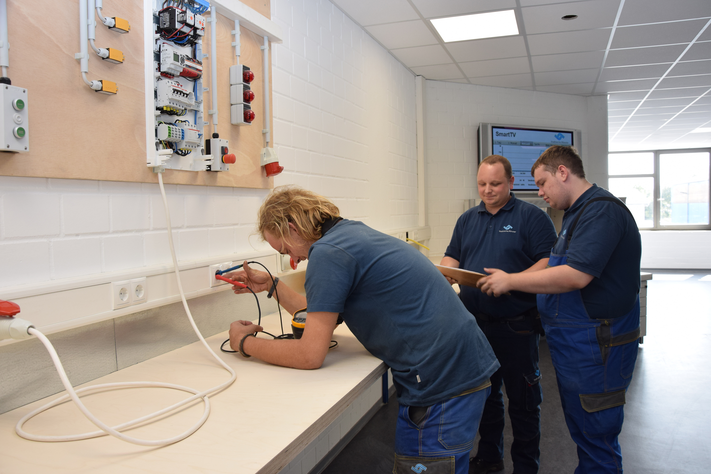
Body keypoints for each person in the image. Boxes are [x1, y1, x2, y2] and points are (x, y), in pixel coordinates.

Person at [225, 185, 500, 474]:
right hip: (462, 366)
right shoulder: (350, 235)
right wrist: (271, 284)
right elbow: (319, 310)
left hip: (442, 383)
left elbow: (309, 354)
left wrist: (244, 343)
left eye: (285, 249)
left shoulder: (328, 252)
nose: (293, 260)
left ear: (293, 228)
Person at [477, 146, 642, 474]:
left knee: (598, 439)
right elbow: (556, 265)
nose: (539, 192)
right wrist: (513, 279)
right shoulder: (577, 214)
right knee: (585, 434)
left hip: (598, 348)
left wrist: (512, 282)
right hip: (578, 348)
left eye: (542, 182)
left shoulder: (601, 212)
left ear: (563, 172)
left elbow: (575, 275)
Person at [440, 155, 556, 474]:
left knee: (523, 402)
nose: (488, 190)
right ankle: (490, 457)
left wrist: (511, 280)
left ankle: (525, 466)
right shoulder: (467, 219)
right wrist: (445, 270)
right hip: (474, 326)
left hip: (516, 327)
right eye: (482, 184)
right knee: (484, 396)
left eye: (495, 184)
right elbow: (454, 255)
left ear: (511, 183)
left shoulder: (532, 217)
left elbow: (550, 262)